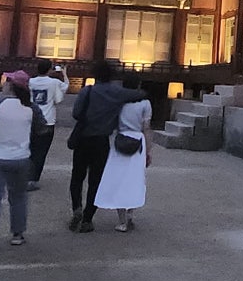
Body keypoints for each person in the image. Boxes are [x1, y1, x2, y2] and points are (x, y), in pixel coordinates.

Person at [68, 62, 147, 233]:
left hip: (83, 138)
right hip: (101, 140)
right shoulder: (116, 92)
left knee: (77, 177)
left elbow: (76, 113)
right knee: (95, 180)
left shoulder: (87, 91)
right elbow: (140, 94)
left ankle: (77, 208)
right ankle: (88, 218)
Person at [0, 70, 46, 252]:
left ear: (10, 85)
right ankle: (17, 234)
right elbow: (42, 129)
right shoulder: (31, 108)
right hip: (20, 157)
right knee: (18, 197)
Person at [94, 75, 152, 231]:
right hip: (137, 140)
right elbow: (146, 127)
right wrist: (148, 150)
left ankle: (121, 220)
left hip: (120, 139)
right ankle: (130, 213)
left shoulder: (118, 102)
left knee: (118, 179)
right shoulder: (145, 103)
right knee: (134, 180)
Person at [28, 59, 70, 190]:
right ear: (49, 70)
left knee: (29, 149)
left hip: (31, 118)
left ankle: (24, 176)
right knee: (41, 151)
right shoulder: (54, 83)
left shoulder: (30, 82)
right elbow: (61, 95)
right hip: (47, 120)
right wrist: (64, 74)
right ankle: (33, 179)